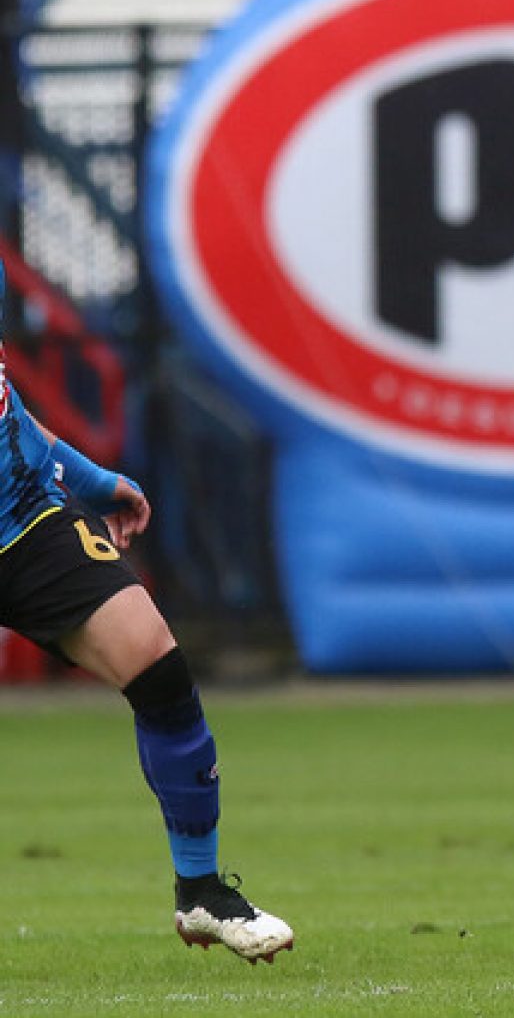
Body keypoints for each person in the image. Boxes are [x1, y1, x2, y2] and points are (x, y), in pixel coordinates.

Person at [0, 264, 293, 962]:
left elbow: (8, 406)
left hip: (25, 523)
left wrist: (95, 481)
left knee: (155, 662)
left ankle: (201, 891)